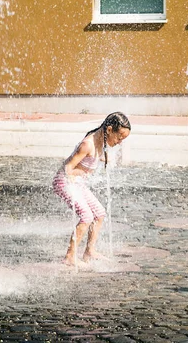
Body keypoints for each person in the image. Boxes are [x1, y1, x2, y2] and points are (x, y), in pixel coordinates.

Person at [52, 112, 131, 265]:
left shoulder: (101, 142)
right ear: (109, 130)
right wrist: (76, 178)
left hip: (78, 183)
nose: (120, 142)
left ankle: (89, 251)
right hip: (64, 182)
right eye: (119, 137)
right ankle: (70, 256)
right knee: (86, 216)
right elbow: (67, 168)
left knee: (99, 213)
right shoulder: (87, 144)